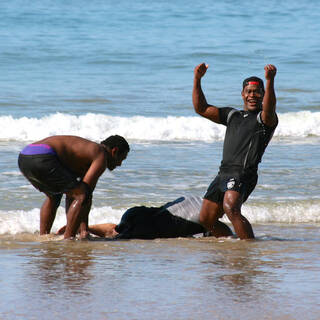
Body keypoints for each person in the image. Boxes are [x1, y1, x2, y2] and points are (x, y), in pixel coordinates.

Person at [192, 63, 278, 239]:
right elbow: (201, 108)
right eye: (249, 91)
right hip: (223, 172)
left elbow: (269, 108)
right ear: (242, 94)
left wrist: (270, 81)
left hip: (244, 173)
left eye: (257, 92)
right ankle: (232, 243)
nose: (252, 95)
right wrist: (197, 79)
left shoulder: (265, 119)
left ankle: (248, 249)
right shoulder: (232, 115)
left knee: (231, 207)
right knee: (206, 219)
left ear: (262, 95)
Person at [18, 135, 129, 239]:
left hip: (25, 157)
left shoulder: (83, 155)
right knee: (81, 194)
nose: (120, 164)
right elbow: (85, 194)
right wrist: (83, 229)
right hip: (44, 156)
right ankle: (69, 239)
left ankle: (44, 237)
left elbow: (75, 195)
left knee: (54, 195)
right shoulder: (101, 155)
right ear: (114, 151)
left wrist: (84, 229)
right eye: (122, 159)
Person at [57, 196, 234, 239]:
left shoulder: (201, 199)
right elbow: (227, 237)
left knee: (118, 229)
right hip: (153, 225)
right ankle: (84, 234)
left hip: (138, 212)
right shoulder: (209, 221)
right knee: (118, 239)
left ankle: (86, 229)